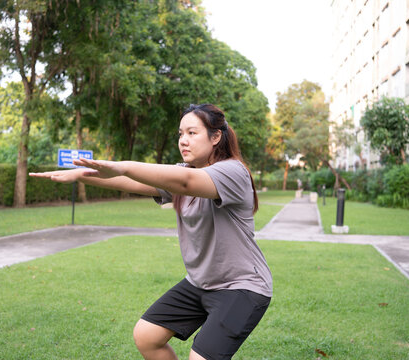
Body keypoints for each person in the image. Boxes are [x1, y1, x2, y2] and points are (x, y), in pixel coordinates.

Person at [29, 104, 272, 360]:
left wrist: (122, 165)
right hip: (201, 283)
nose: (183, 141)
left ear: (215, 137)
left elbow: (185, 183)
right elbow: (133, 181)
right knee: (147, 336)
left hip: (242, 286)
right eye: (180, 134)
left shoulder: (232, 172)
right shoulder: (185, 172)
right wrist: (81, 175)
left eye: (192, 133)